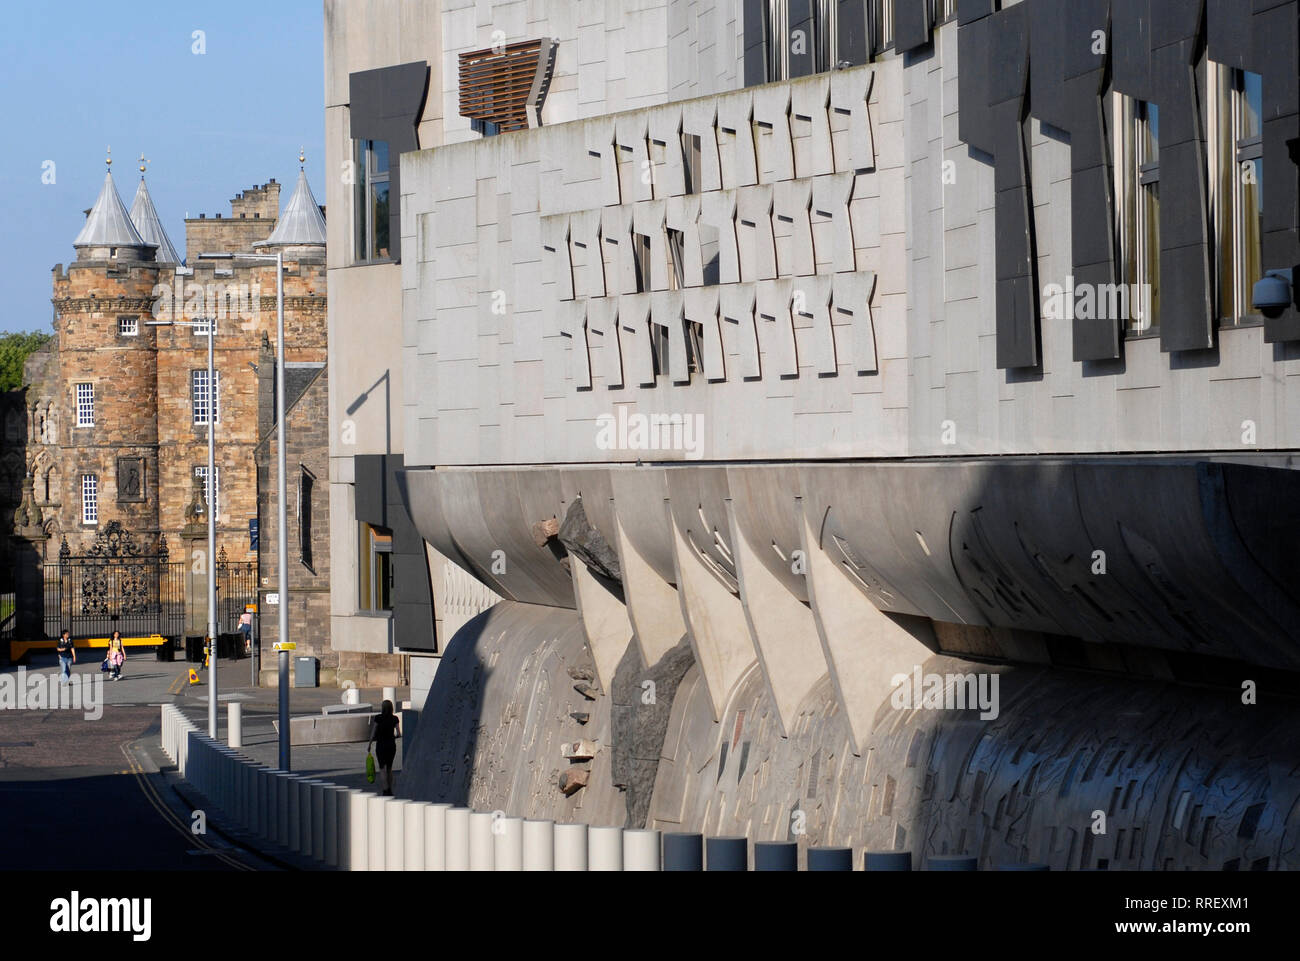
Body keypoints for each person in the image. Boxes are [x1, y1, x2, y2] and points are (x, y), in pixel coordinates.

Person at [366, 700, 401, 796]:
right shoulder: (395, 719)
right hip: (391, 745)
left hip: (381, 745)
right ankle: (390, 789)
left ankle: (386, 790)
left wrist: (369, 744)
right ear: (391, 708)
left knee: (382, 768)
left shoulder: (378, 718)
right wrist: (393, 737)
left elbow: (373, 732)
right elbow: (399, 734)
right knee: (389, 768)